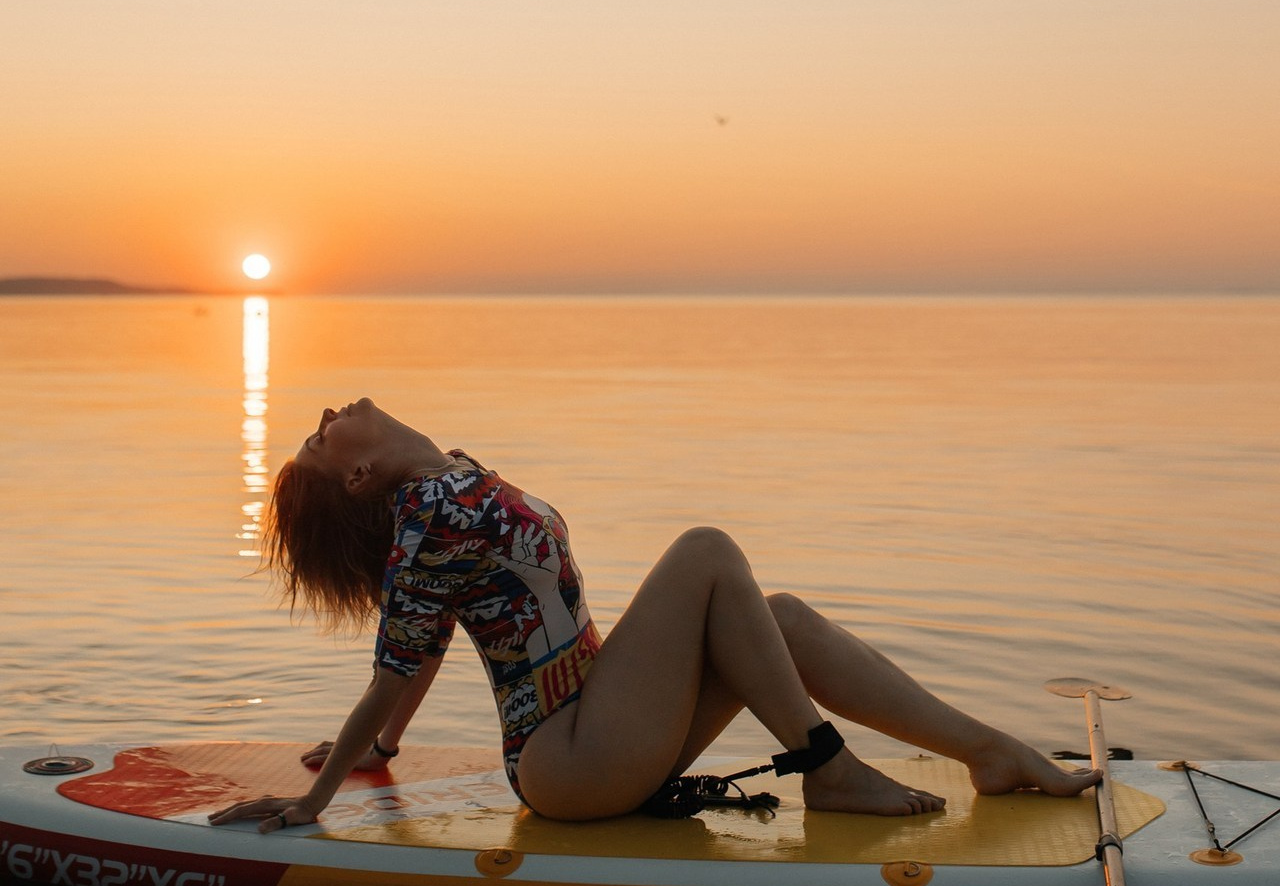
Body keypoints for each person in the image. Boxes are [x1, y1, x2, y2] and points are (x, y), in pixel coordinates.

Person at [209, 398, 1100, 832]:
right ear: (358, 478)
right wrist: (313, 801)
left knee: (778, 617)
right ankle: (828, 771)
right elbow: (396, 665)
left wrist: (386, 749)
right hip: (570, 760)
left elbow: (429, 643)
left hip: (603, 724)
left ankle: (989, 753)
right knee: (706, 551)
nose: (329, 414)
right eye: (321, 438)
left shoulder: (452, 480)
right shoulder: (427, 515)